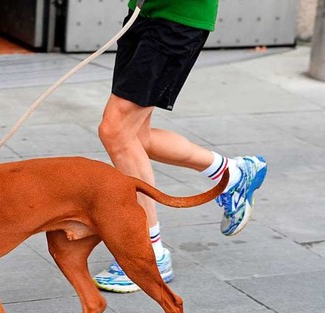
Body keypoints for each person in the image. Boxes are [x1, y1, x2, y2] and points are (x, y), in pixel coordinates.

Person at [92, 0, 267, 293]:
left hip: (177, 20)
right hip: (145, 13)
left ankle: (149, 252)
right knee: (137, 137)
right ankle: (234, 173)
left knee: (116, 132)